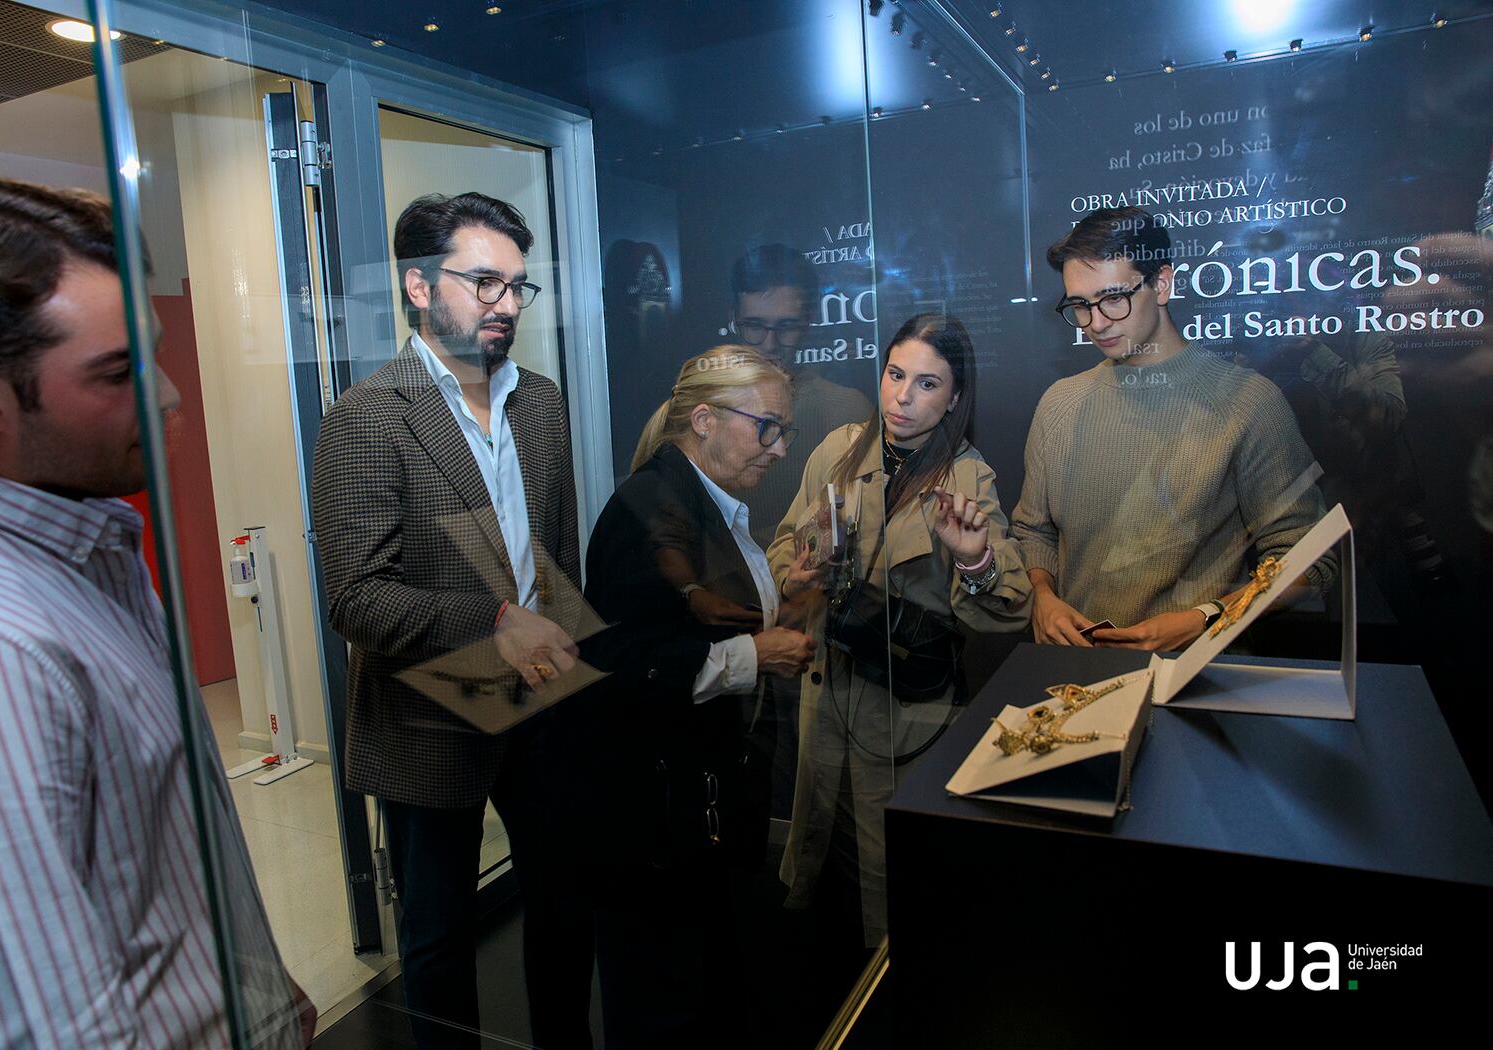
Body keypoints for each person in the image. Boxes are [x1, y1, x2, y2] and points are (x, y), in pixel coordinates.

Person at [0, 175, 311, 1048]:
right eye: (115, 372)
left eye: (155, 350)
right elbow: (40, 1027)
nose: (169, 395)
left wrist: (255, 989)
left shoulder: (90, 545)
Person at [310, 192, 592, 1049]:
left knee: (565, 906)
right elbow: (355, 596)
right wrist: (497, 618)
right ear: (420, 286)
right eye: (484, 282)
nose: (505, 304)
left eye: (516, 286)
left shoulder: (538, 402)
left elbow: (556, 552)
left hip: (543, 699)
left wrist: (567, 650)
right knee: (437, 946)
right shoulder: (366, 418)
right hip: (427, 713)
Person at [570, 347, 816, 1049]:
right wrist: (752, 655)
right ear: (704, 419)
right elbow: (614, 659)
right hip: (651, 821)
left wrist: (787, 593)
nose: (778, 448)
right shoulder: (646, 510)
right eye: (766, 427)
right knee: (659, 1003)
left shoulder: (703, 497)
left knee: (700, 987)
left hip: (697, 806)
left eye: (785, 430)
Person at [769, 313, 1030, 952]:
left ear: (955, 400)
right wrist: (799, 569)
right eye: (895, 375)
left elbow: (1013, 607)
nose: (903, 397)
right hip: (826, 689)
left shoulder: (967, 478)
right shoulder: (838, 450)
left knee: (892, 866)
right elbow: (780, 550)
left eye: (927, 384)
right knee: (812, 852)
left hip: (905, 707)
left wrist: (974, 559)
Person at [1012, 206, 1334, 650]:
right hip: (1079, 677)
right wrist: (1043, 597)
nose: (1097, 322)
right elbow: (1035, 531)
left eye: (1112, 298)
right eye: (1080, 305)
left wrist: (1206, 619)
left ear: (1161, 283)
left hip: (1198, 675)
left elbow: (1308, 558)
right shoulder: (1059, 404)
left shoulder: (1248, 403)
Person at [728, 244, 873, 548]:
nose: (770, 343)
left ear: (807, 321)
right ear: (734, 320)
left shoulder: (847, 411)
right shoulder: (707, 415)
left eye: (786, 326)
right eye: (754, 325)